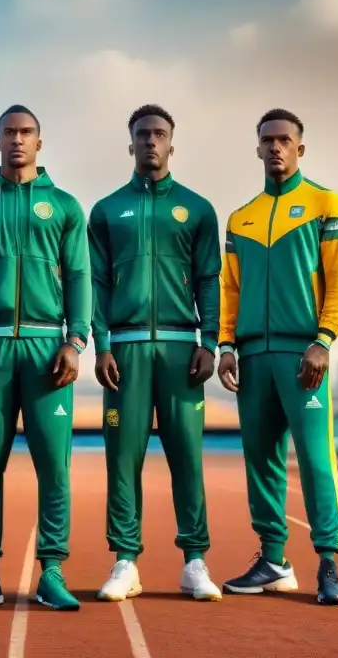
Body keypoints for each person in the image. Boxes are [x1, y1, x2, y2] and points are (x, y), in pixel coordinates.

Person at [0, 104, 92, 612]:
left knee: (55, 466)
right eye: (8, 132)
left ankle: (52, 570)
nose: (17, 140)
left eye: (26, 132)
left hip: (47, 348)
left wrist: (77, 342)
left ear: (39, 142)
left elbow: (78, 277)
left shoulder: (67, 207)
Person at [217, 108, 338, 605]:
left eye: (284, 140)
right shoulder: (240, 218)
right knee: (262, 461)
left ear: (300, 148)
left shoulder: (326, 204)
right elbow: (228, 290)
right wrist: (226, 345)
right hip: (252, 357)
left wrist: (324, 339)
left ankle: (328, 564)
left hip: (303, 354)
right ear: (257, 149)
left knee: (316, 460)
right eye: (267, 141)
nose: (275, 147)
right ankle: (273, 561)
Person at [87, 104, 223, 602]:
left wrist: (210, 341)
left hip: (180, 349)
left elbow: (210, 280)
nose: (150, 141)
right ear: (131, 144)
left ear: (172, 144)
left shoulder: (197, 208)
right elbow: (95, 282)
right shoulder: (106, 210)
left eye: (159, 134)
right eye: (142, 134)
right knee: (123, 459)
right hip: (123, 350)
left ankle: (195, 561)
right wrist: (101, 343)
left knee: (187, 457)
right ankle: (125, 560)